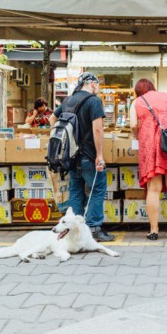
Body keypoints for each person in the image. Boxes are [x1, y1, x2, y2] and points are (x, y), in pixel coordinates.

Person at [50, 72, 114, 242]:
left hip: (70, 156)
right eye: (98, 85)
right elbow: (98, 129)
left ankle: (75, 228)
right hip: (88, 154)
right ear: (92, 84)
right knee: (97, 188)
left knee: (76, 190)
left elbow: (52, 120)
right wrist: (99, 155)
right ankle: (93, 227)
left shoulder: (68, 100)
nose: (98, 88)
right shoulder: (94, 101)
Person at [129, 78, 167, 240]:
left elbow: (133, 125)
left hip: (149, 144)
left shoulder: (136, 102)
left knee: (153, 189)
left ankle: (153, 230)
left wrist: (139, 135)